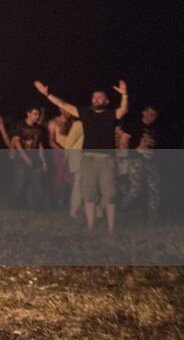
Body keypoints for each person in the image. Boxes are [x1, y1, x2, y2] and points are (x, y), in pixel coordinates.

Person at [35, 80, 128, 233]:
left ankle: (111, 229)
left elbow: (123, 110)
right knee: (89, 193)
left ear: (106, 101)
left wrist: (124, 95)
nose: (96, 99)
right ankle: (90, 226)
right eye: (94, 97)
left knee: (110, 194)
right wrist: (47, 94)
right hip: (88, 159)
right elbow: (64, 105)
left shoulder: (111, 114)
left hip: (107, 160)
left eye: (99, 97)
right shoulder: (85, 113)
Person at [121, 104, 161, 223]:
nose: (151, 116)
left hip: (151, 161)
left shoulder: (154, 129)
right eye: (149, 113)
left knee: (154, 189)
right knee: (136, 189)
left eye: (154, 115)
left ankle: (153, 219)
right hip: (136, 160)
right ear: (144, 112)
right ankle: (120, 208)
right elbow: (124, 139)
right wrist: (125, 155)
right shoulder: (135, 125)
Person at [9, 107, 48, 207]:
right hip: (21, 158)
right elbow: (16, 141)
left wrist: (43, 162)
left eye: (38, 114)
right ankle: (15, 205)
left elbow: (40, 145)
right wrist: (24, 157)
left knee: (36, 182)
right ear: (28, 114)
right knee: (19, 182)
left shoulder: (38, 128)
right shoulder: (20, 125)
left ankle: (35, 205)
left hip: (34, 158)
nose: (37, 116)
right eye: (35, 114)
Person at [46, 106, 74, 207]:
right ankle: (56, 202)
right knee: (58, 178)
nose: (69, 112)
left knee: (72, 178)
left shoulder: (73, 123)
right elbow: (51, 141)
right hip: (58, 153)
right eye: (67, 109)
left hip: (71, 154)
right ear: (61, 109)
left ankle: (72, 202)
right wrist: (62, 152)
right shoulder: (53, 122)